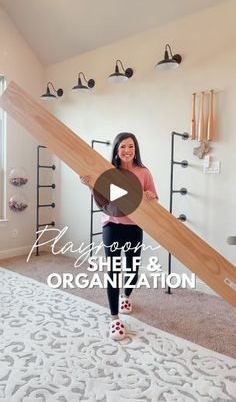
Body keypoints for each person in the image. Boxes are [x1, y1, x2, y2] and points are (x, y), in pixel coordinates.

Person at [80, 132, 158, 340]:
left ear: (136, 149)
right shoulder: (109, 172)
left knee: (132, 268)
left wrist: (151, 196)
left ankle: (127, 296)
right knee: (114, 271)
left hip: (134, 227)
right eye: (122, 146)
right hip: (112, 226)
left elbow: (152, 196)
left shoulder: (143, 172)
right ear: (116, 149)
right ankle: (115, 319)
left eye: (130, 146)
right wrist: (89, 184)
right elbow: (103, 199)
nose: (127, 150)